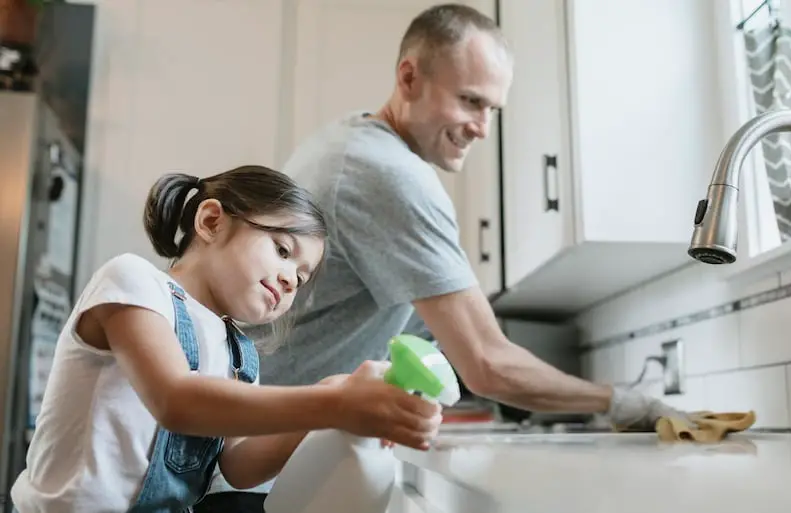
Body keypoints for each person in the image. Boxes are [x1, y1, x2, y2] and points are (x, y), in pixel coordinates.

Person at [200, 3, 691, 510]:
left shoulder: (353, 141)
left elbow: (411, 334)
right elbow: (486, 364)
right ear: (409, 77)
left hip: (244, 454)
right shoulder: (390, 176)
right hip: (247, 474)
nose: (482, 126)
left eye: (491, 110)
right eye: (469, 100)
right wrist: (623, 402)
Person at [10, 165, 442, 513]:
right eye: (283, 250)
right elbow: (177, 401)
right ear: (212, 221)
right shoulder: (133, 282)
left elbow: (238, 465)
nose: (292, 279)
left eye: (302, 277)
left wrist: (331, 394)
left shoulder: (240, 353)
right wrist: (338, 403)